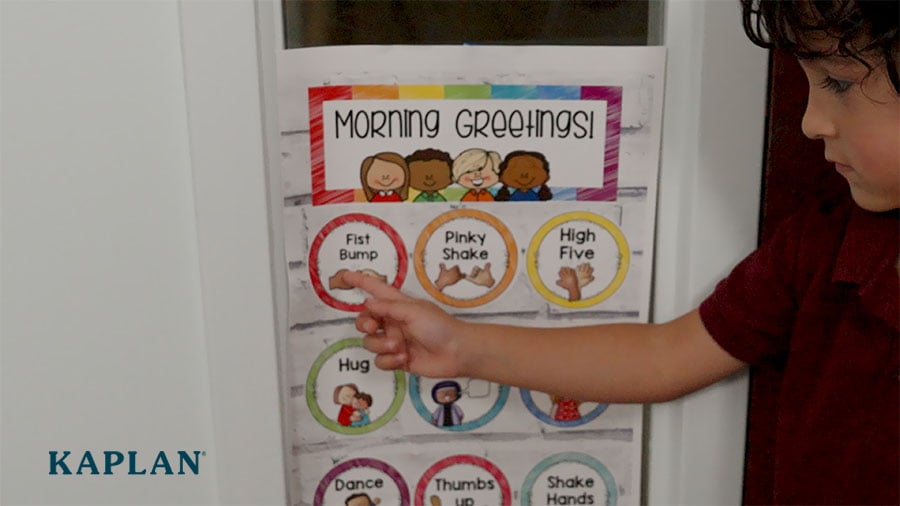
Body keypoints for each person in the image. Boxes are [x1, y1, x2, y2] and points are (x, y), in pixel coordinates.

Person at [341, 0, 898, 504]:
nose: (810, 122)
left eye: (839, 84)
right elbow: (662, 357)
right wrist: (464, 346)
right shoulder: (824, 247)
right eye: (809, 84)